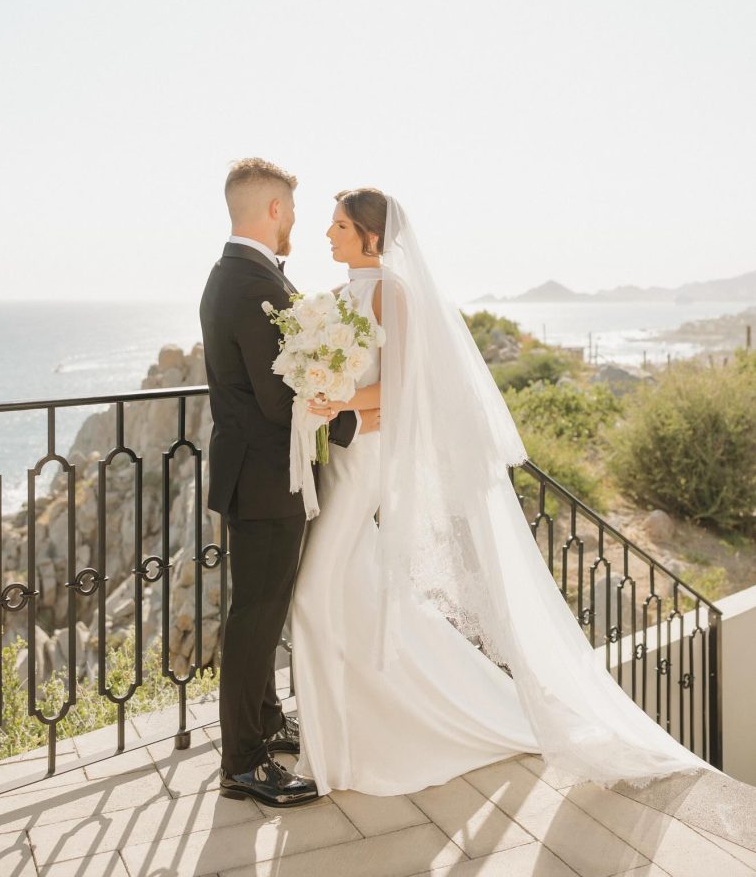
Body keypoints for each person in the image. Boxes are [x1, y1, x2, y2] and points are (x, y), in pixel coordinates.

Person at [290, 187, 719, 798]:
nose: (327, 234)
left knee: (311, 595)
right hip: (338, 456)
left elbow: (408, 386)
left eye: (338, 225)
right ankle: (358, 724)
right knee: (351, 589)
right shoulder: (334, 298)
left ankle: (353, 740)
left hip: (367, 463)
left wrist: (340, 400)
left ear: (372, 237)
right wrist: (319, 393)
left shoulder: (393, 292)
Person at [199, 158, 379, 808]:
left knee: (264, 609)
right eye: (295, 212)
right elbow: (280, 401)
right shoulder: (249, 285)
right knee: (254, 619)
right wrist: (351, 419)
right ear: (273, 209)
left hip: (265, 474)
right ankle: (242, 763)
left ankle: (267, 722)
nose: (297, 224)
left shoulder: (245, 275)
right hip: (263, 478)